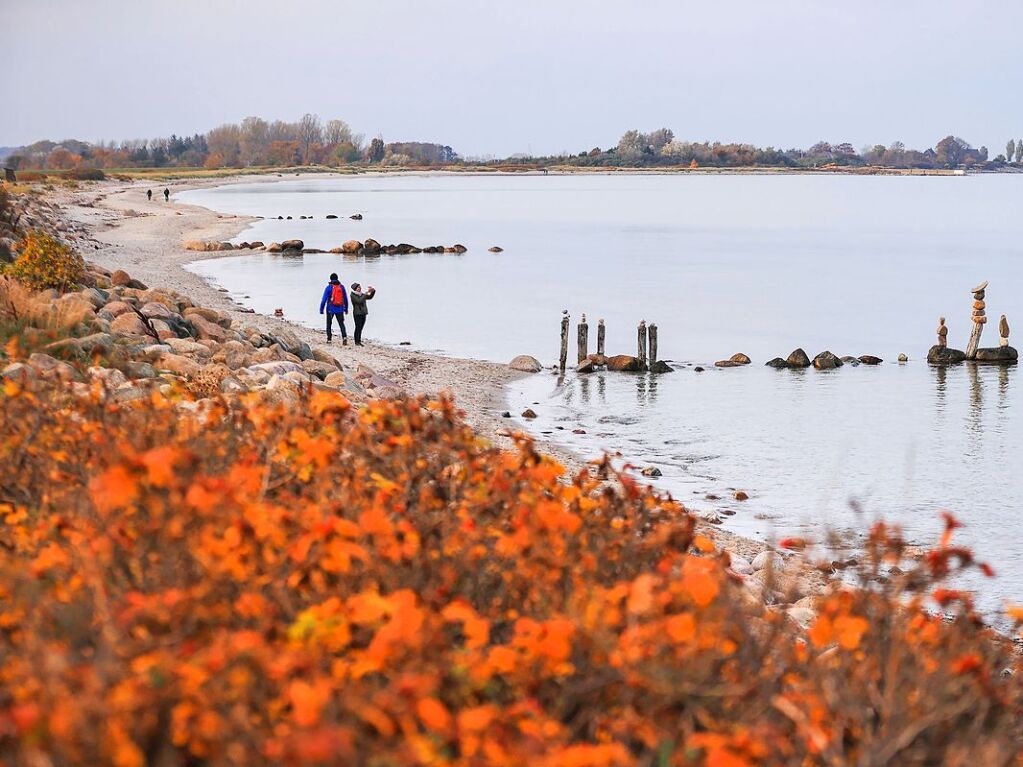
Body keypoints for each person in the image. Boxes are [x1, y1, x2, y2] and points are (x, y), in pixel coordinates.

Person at [318, 272, 348, 344]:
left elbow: (324, 299)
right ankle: (344, 337)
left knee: (329, 324)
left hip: (330, 309)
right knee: (341, 324)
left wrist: (321, 309)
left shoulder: (328, 288)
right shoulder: (342, 287)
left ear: (330, 279)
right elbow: (345, 299)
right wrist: (346, 308)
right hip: (340, 309)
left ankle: (329, 339)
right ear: (337, 278)